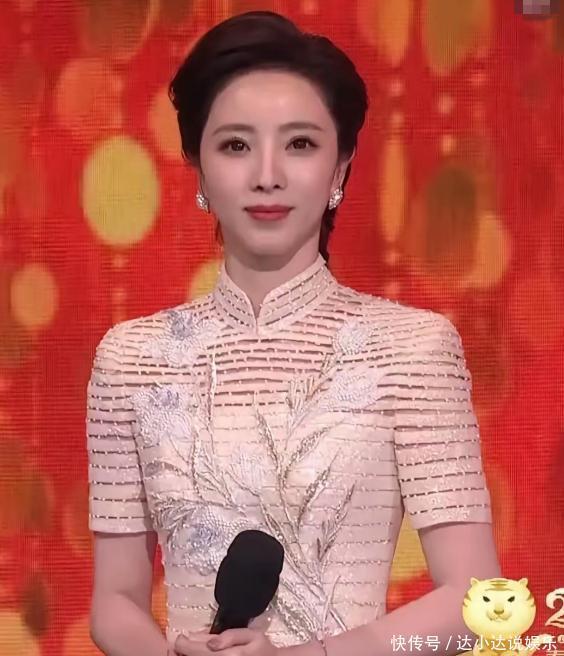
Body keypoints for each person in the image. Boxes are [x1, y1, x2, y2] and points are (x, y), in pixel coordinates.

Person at [86, 10, 501, 656]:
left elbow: (475, 602)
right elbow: (115, 600)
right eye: (235, 146)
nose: (267, 174)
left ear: (340, 169)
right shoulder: (131, 359)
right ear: (198, 169)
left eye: (300, 144)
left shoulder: (412, 350)